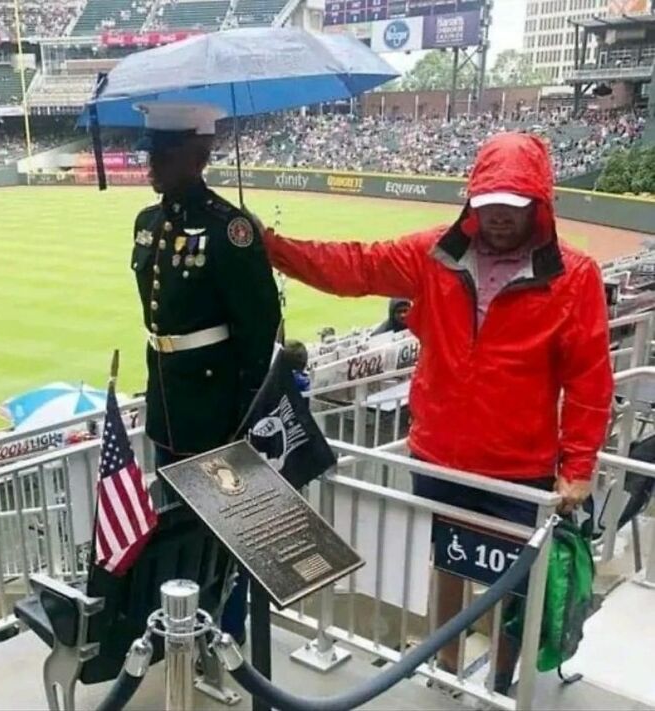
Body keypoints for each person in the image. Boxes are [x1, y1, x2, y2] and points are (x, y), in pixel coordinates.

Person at [260, 132, 614, 695]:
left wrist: (577, 467)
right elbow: (353, 266)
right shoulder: (434, 254)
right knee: (447, 559)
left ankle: (500, 682)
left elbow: (590, 381)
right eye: (488, 203)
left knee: (512, 583)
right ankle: (445, 667)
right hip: (440, 457)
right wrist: (272, 247)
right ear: (471, 200)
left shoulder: (576, 277)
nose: (498, 217)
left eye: (513, 206)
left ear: (539, 205)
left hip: (519, 469)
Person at [131, 102, 281, 643]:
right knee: (174, 526)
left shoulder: (230, 229)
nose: (150, 165)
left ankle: (226, 633)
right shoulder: (147, 223)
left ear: (196, 156)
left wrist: (242, 412)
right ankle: (180, 632)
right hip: (167, 400)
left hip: (215, 409)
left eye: (162, 155)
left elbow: (260, 325)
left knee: (226, 527)